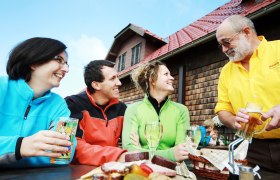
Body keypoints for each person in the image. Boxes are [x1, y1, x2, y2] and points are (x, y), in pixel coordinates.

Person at [215, 14, 280, 172]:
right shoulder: (226, 71)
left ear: (247, 32)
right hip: (251, 150)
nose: (224, 49)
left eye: (226, 42)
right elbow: (222, 109)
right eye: (220, 45)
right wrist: (233, 120)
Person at [0, 37, 75, 168]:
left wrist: (12, 153)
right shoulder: (2, 87)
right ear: (34, 62)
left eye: (66, 63)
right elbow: (53, 154)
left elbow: (64, 155)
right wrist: (20, 146)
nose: (66, 70)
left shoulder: (59, 104)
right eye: (58, 60)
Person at [122, 61, 190, 162]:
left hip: (172, 169)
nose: (172, 78)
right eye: (166, 74)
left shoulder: (181, 110)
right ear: (152, 80)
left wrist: (141, 150)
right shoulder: (133, 109)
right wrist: (170, 154)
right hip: (142, 169)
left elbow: (181, 152)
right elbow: (129, 150)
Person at [65, 60, 127, 166]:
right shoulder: (71, 104)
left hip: (110, 168)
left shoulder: (121, 108)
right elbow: (69, 146)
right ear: (96, 85)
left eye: (117, 77)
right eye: (113, 78)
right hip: (78, 171)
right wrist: (116, 155)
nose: (119, 83)